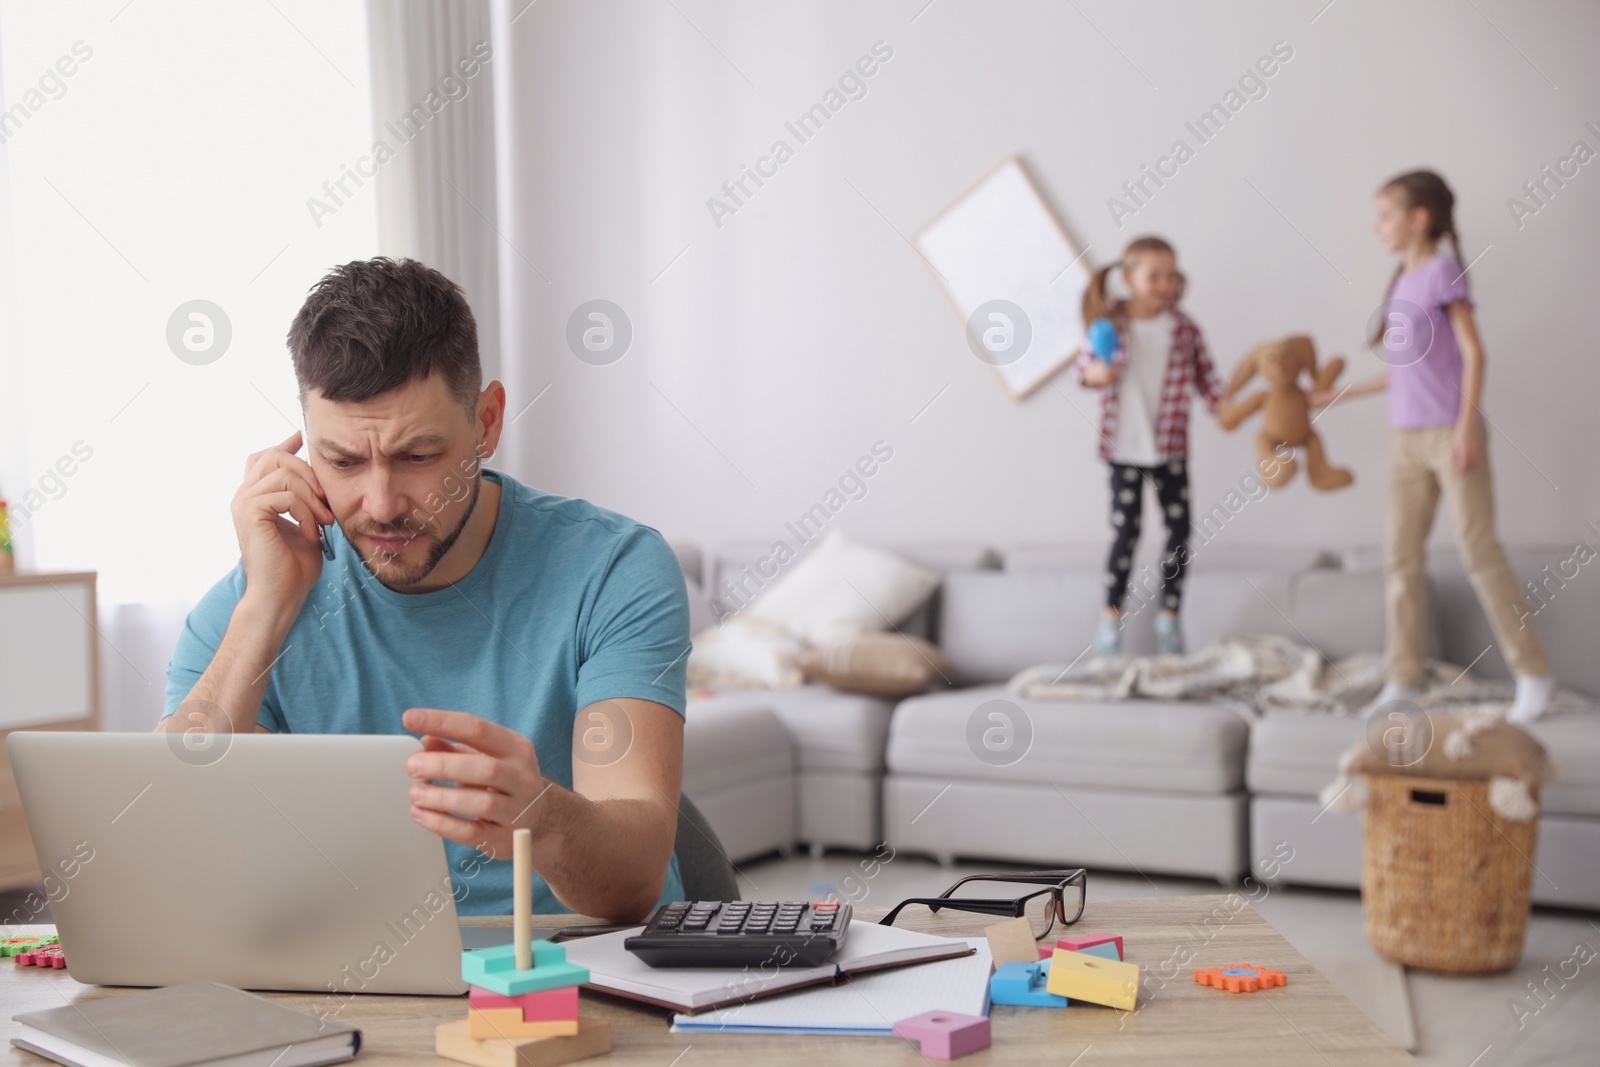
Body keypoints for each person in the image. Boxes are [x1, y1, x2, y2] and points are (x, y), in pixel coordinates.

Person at [156, 258, 691, 918]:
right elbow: (170, 847)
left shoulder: (613, 569)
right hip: (348, 987)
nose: (380, 503)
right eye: (343, 461)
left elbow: (636, 880)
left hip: (574, 975)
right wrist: (264, 607)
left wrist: (541, 817)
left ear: (487, 422)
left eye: (418, 456)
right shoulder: (254, 598)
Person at [1310, 169, 1554, 723]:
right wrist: (1335, 396)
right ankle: (1403, 678)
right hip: (1406, 440)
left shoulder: (1443, 271)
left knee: (1479, 552)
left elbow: (1475, 353)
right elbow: (1401, 371)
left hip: (1451, 433)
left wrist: (1466, 429)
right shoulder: (1401, 282)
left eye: (1385, 216)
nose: (1378, 228)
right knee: (1401, 558)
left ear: (1419, 220)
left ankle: (1533, 673)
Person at [1078, 236, 1224, 656]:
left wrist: (1230, 407)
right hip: (1123, 449)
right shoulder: (1109, 324)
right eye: (1153, 276)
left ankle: (1169, 621)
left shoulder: (1184, 327)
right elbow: (1083, 369)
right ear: (1128, 278)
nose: (1163, 284)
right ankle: (1110, 621)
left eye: (1170, 275)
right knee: (1127, 532)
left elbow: (1209, 381)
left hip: (1170, 448)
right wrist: (1095, 375)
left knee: (1179, 534)